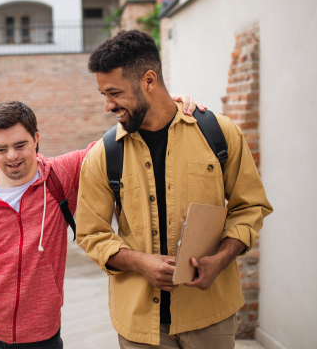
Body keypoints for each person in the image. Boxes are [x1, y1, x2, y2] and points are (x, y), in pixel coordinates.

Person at [0, 96, 203, 348]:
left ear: (36, 138)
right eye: (1, 149)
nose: (12, 156)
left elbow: (113, 143)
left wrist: (167, 107)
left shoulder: (61, 175)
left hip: (40, 333)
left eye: (20, 145)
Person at [75, 30, 273, 349]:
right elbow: (90, 233)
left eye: (114, 93)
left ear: (149, 81)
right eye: (104, 95)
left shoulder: (219, 133)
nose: (108, 105)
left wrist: (220, 259)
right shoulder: (103, 154)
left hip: (210, 315)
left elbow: (250, 208)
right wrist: (140, 262)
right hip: (140, 324)